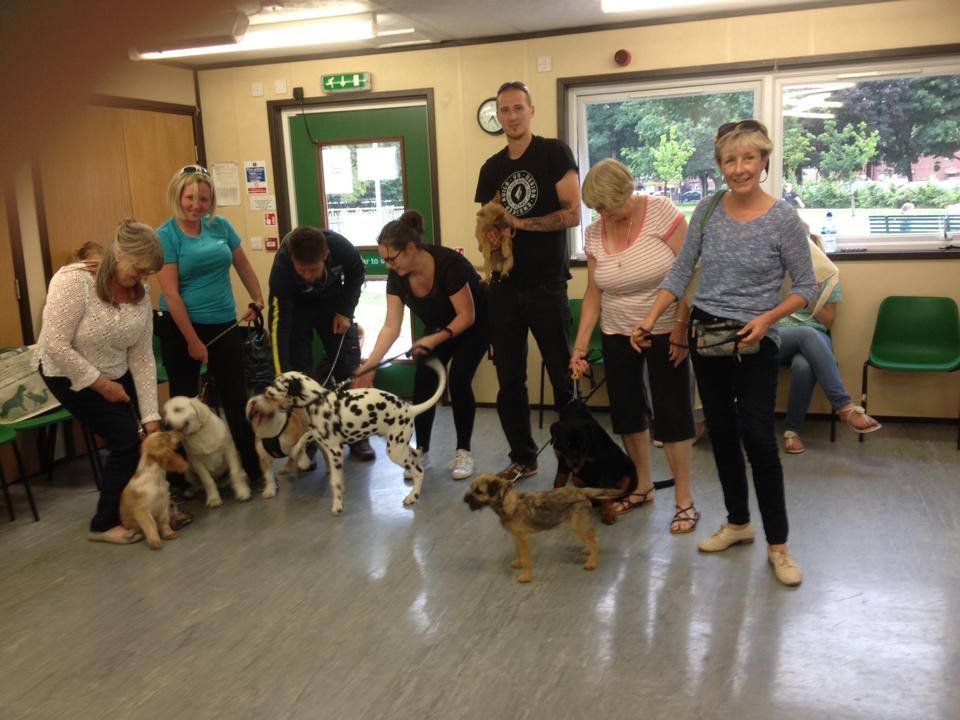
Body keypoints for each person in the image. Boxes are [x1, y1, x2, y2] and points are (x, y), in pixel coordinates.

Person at [632, 120, 818, 586]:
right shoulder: (708, 210)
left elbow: (808, 288)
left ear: (764, 161)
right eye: (730, 160)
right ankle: (738, 523)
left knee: (759, 438)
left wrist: (768, 319)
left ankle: (779, 545)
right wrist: (650, 319)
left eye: (749, 158)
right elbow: (679, 272)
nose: (740, 169)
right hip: (706, 336)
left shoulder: (783, 219)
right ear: (720, 166)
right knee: (721, 432)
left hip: (755, 340)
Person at [572, 159, 699, 534]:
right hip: (616, 331)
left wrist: (680, 327)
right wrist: (580, 347)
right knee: (627, 413)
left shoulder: (661, 213)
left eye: (607, 205)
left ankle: (684, 500)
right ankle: (643, 486)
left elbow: (691, 271)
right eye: (596, 209)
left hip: (666, 328)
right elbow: (594, 292)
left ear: (626, 193)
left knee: (673, 414)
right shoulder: (595, 233)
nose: (603, 214)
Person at [474, 80, 580, 480]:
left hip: (547, 285)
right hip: (503, 289)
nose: (511, 116)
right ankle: (524, 456)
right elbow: (486, 221)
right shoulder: (492, 167)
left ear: (531, 111)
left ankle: (573, 458)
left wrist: (518, 223)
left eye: (518, 108)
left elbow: (571, 214)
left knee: (561, 375)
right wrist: (493, 235)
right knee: (509, 380)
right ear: (498, 115)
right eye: (504, 110)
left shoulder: (554, 153)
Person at [34, 219, 164, 544]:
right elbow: (55, 344)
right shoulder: (72, 282)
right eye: (139, 269)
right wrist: (102, 385)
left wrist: (151, 419)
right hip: (66, 373)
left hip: (115, 369)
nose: (143, 278)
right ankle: (103, 525)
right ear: (119, 253)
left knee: (141, 437)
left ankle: (140, 508)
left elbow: (142, 357)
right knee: (124, 439)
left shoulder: (140, 294)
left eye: (148, 273)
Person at [354, 211, 489, 480]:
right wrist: (369, 365)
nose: (389, 265)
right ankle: (422, 452)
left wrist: (432, 339)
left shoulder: (449, 264)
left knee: (460, 379)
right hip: (439, 326)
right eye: (385, 260)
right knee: (423, 381)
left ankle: (464, 451)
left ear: (411, 248)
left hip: (475, 323)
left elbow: (467, 315)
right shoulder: (398, 275)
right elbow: (391, 325)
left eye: (392, 258)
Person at [154, 165, 264, 485]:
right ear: (178, 196)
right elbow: (171, 294)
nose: (196, 205)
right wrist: (192, 340)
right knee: (184, 404)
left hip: (224, 324)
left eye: (203, 198)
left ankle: (251, 470)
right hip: (181, 329)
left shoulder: (220, 226)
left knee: (235, 397)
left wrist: (256, 299)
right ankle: (181, 480)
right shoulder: (166, 235)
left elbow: (242, 264)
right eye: (190, 198)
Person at [268, 225, 374, 461]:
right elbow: (278, 327)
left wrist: (345, 311)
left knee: (347, 366)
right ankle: (310, 439)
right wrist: (281, 377)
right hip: (297, 312)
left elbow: (357, 273)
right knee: (300, 377)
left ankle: (357, 436)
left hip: (333, 304)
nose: (307, 275)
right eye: (302, 270)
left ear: (325, 256)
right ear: (293, 260)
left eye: (313, 269)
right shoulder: (282, 268)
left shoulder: (340, 247)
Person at [778, 234, 881, 454]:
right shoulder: (776, 273)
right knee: (805, 333)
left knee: (804, 366)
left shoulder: (827, 279)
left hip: (815, 337)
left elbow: (828, 321)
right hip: (777, 336)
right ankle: (844, 406)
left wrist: (810, 294)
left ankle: (791, 432)